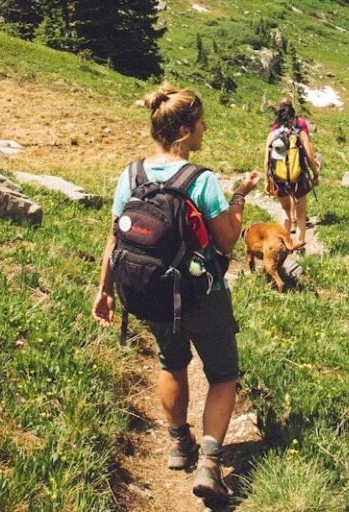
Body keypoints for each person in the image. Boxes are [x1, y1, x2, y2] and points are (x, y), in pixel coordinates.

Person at [92, 83, 260, 502]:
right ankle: (209, 462)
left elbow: (115, 237)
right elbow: (225, 242)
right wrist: (239, 196)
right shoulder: (200, 180)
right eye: (201, 123)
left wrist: (105, 291)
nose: (205, 130)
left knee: (172, 363)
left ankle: (177, 443)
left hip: (151, 293)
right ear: (185, 130)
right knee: (223, 375)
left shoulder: (131, 175)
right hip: (203, 293)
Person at [264, 98, 320, 245]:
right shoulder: (300, 133)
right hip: (298, 178)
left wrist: (267, 180)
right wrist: (315, 174)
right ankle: (300, 245)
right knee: (301, 215)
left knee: (285, 210)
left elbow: (266, 161)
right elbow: (309, 156)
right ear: (293, 116)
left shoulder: (272, 134)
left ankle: (284, 244)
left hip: (279, 178)